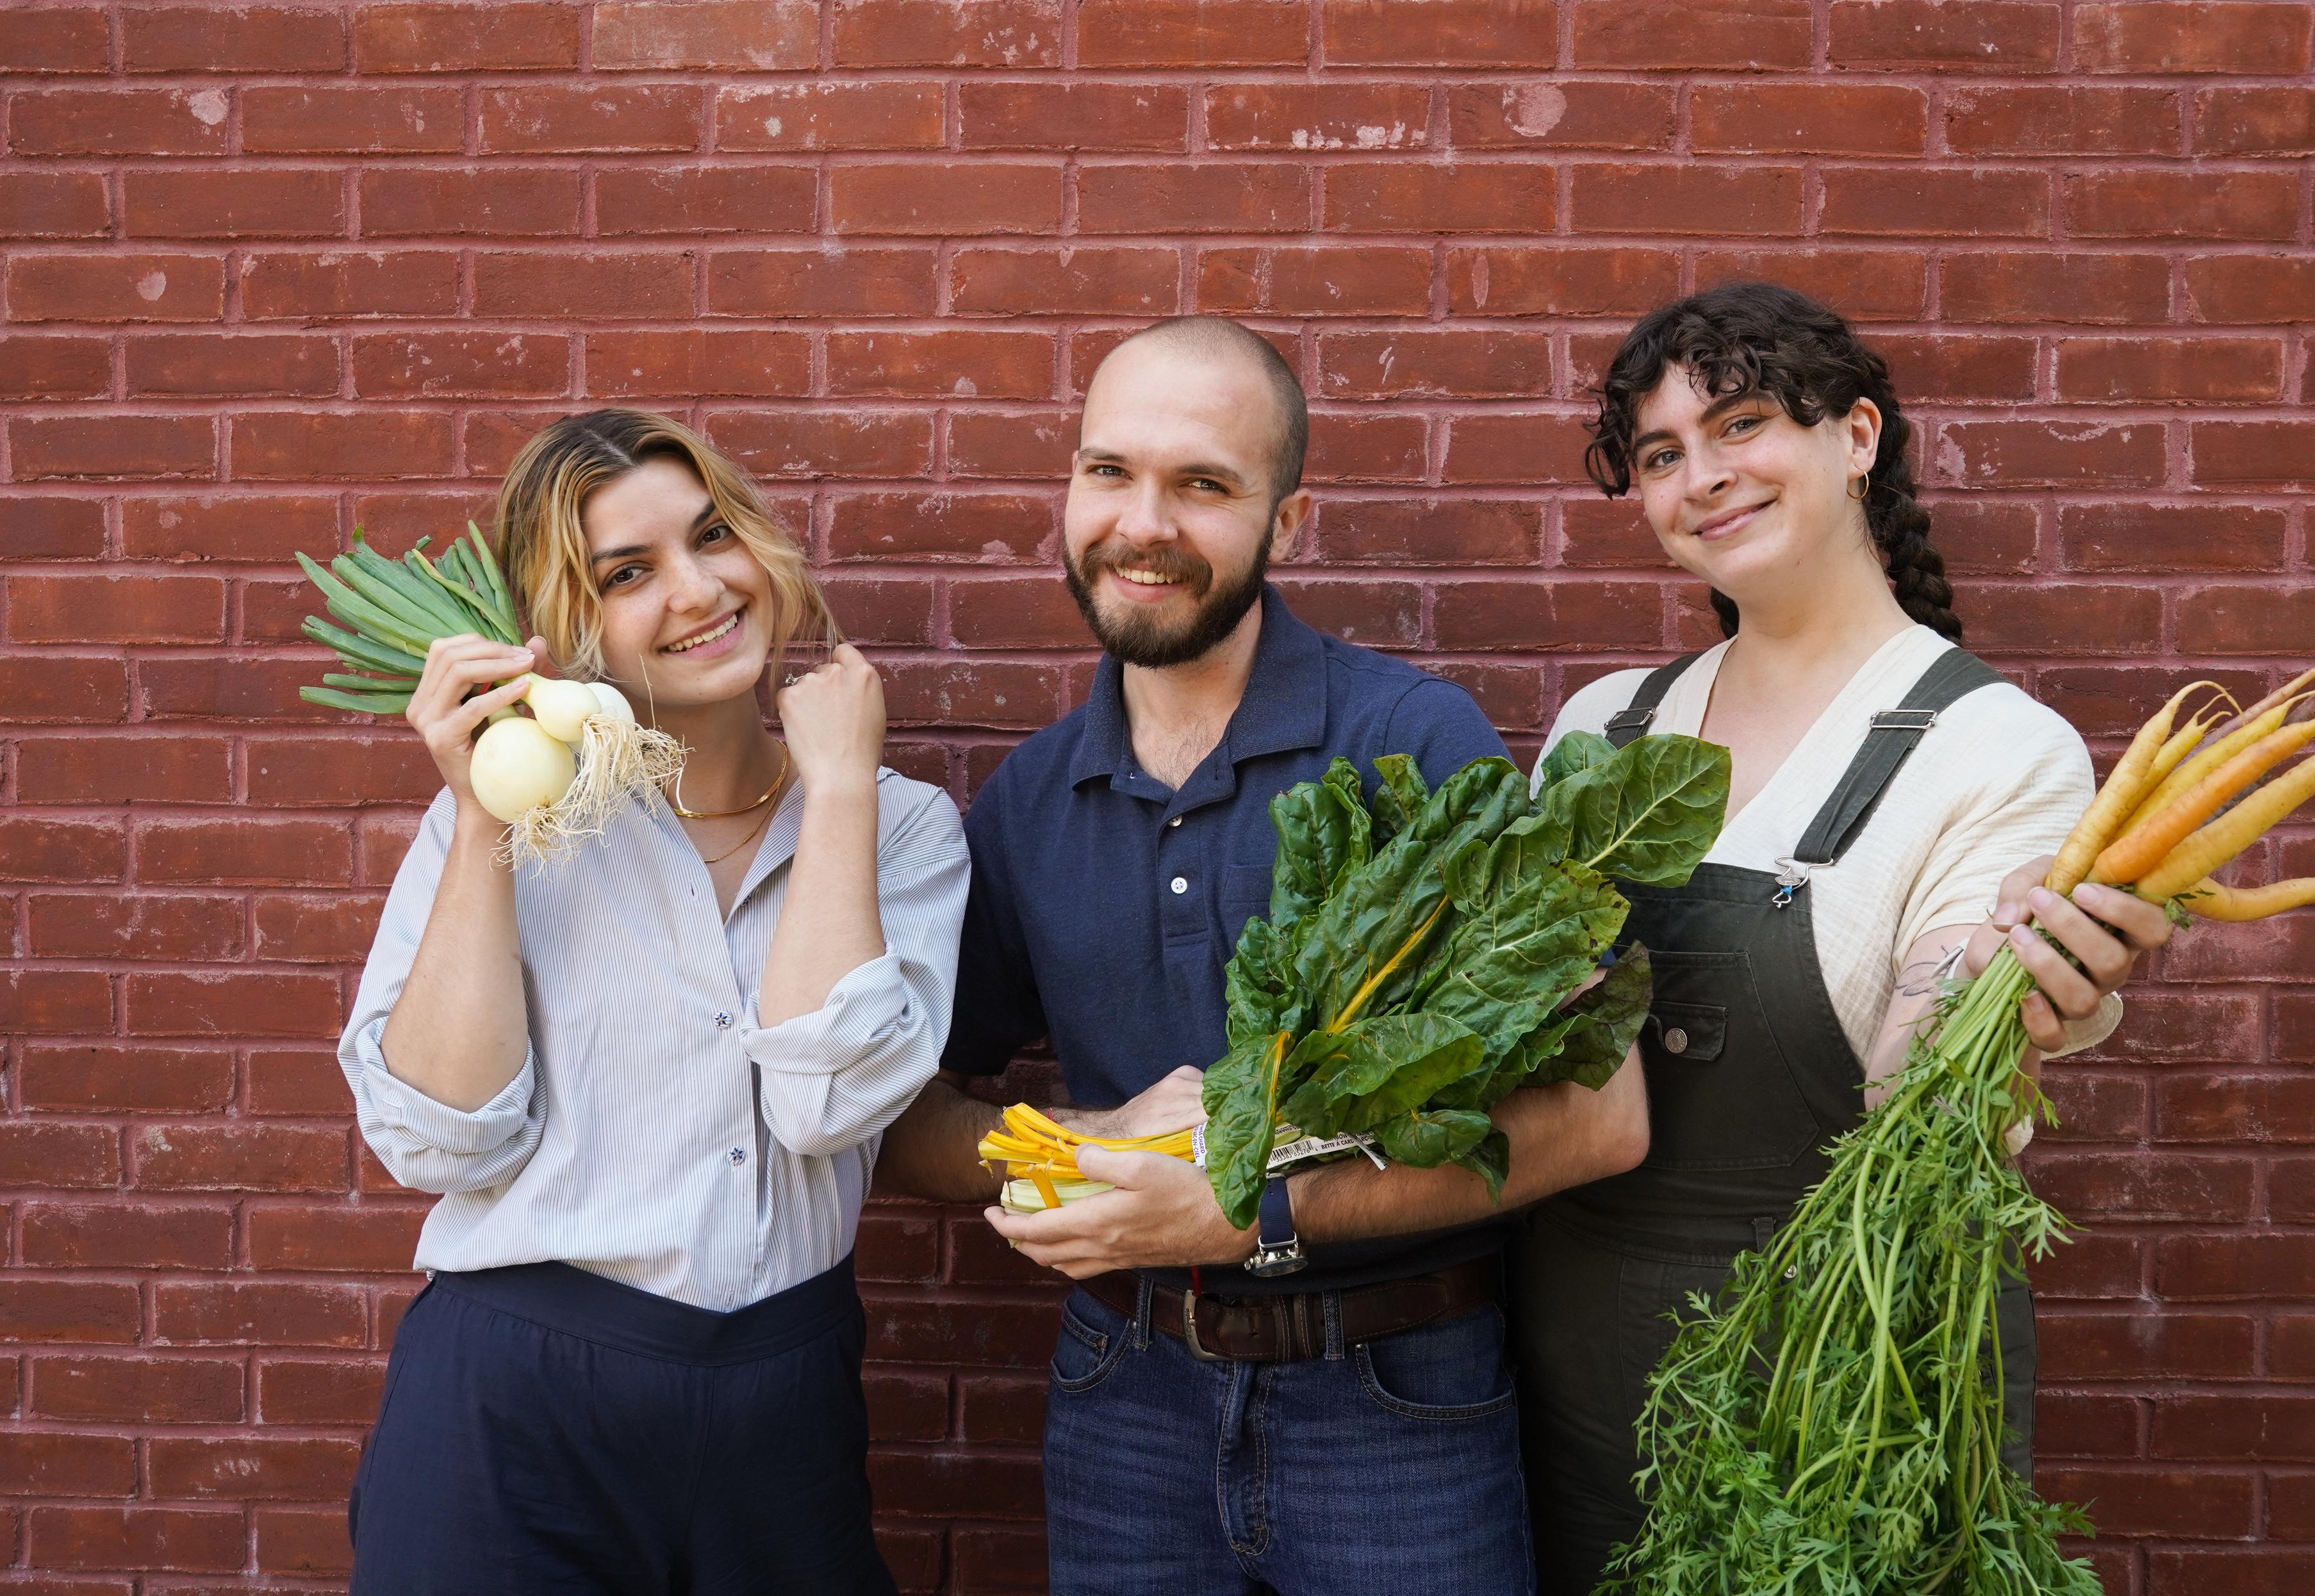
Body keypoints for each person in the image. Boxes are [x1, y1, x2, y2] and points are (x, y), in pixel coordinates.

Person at [874, 317, 1652, 1595]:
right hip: (1123, 1392)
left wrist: (1248, 1207)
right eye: (1109, 471)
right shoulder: (1027, 800)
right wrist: (1095, 1146)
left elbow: (1598, 1119)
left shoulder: (1412, 741)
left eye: (1204, 485)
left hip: (1398, 1398)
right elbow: (905, 1122)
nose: (1144, 523)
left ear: (1286, 523)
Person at [1510, 281, 2175, 1594]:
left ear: (1857, 434)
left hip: (1843, 1386)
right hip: (1573, 1379)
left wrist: (2010, 1005)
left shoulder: (1995, 749)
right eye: (1660, 457)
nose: (1701, 478)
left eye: (1741, 424)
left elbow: (1910, 1097)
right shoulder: (1603, 732)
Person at [337, 410, 967, 1595]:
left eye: (711, 535)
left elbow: (824, 1101)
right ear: (568, 630)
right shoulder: (508, 823)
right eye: (628, 574)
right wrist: (481, 818)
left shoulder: (902, 827)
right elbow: (439, 1137)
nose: (696, 590)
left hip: (781, 1403)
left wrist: (836, 792)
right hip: (512, 1400)